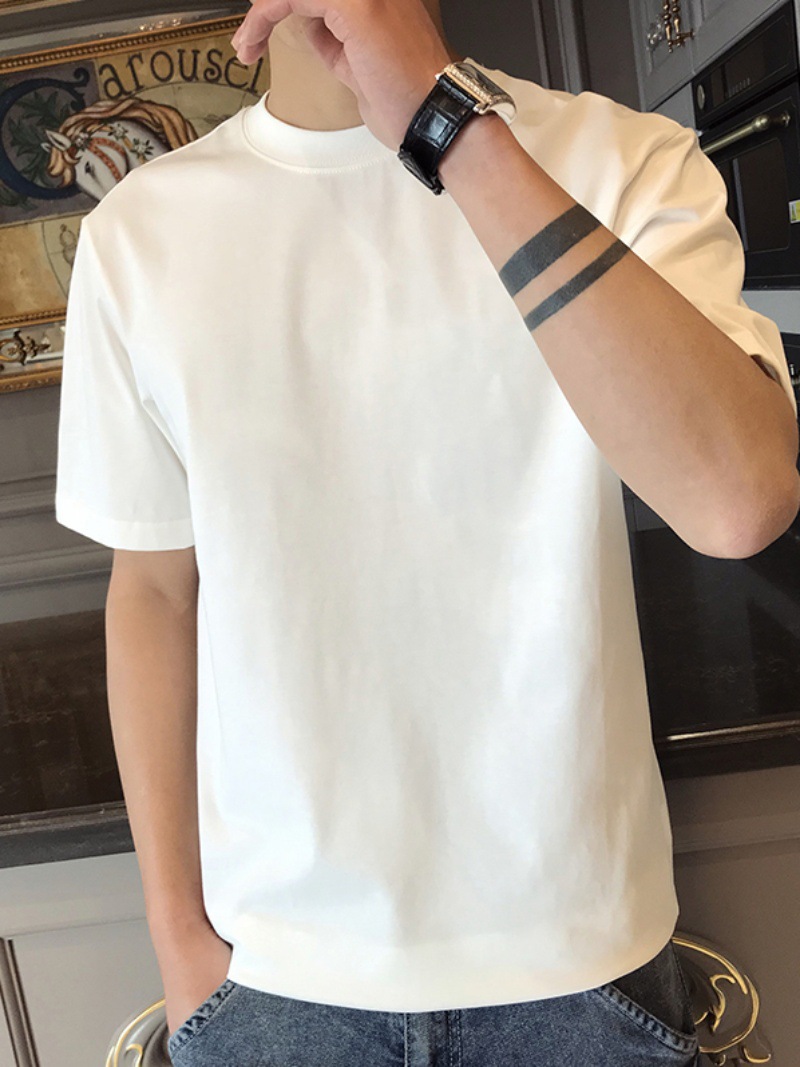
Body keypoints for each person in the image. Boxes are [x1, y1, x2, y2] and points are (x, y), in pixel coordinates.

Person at [55, 0, 799, 1064]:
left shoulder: (622, 161)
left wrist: (442, 123)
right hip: (275, 982)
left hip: (580, 967)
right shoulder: (141, 232)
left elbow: (736, 500)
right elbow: (154, 592)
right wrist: (179, 938)